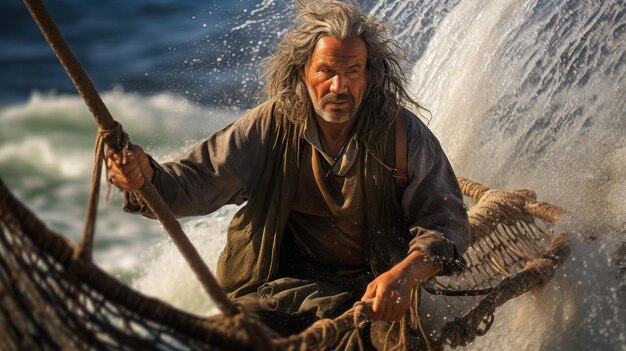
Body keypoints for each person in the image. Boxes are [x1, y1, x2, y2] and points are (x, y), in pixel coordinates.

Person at [108, 0, 470, 347]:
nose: (338, 87)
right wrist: (145, 178)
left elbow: (446, 223)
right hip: (276, 291)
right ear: (303, 73)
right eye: (326, 71)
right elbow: (195, 184)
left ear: (369, 77)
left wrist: (405, 276)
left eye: (352, 72)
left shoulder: (403, 136)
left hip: (371, 296)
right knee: (230, 337)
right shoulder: (269, 127)